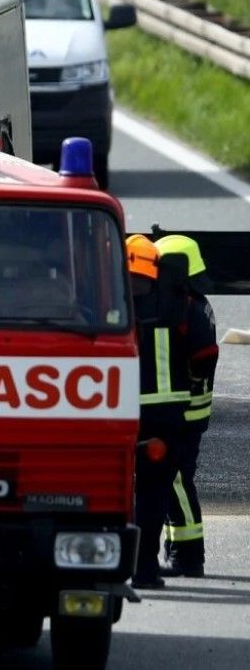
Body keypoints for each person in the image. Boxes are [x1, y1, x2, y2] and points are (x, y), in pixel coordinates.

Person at [126, 234, 188, 589]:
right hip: (164, 419)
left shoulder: (107, 302)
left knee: (115, 491)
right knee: (153, 495)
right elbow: (203, 355)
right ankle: (145, 569)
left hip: (120, 416)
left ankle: (109, 563)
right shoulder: (175, 303)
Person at [155, 235, 219, 578]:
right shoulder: (195, 301)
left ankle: (188, 556)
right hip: (192, 410)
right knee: (174, 481)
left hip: (185, 412)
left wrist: (186, 383)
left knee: (177, 481)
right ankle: (176, 548)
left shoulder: (189, 307)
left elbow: (204, 358)